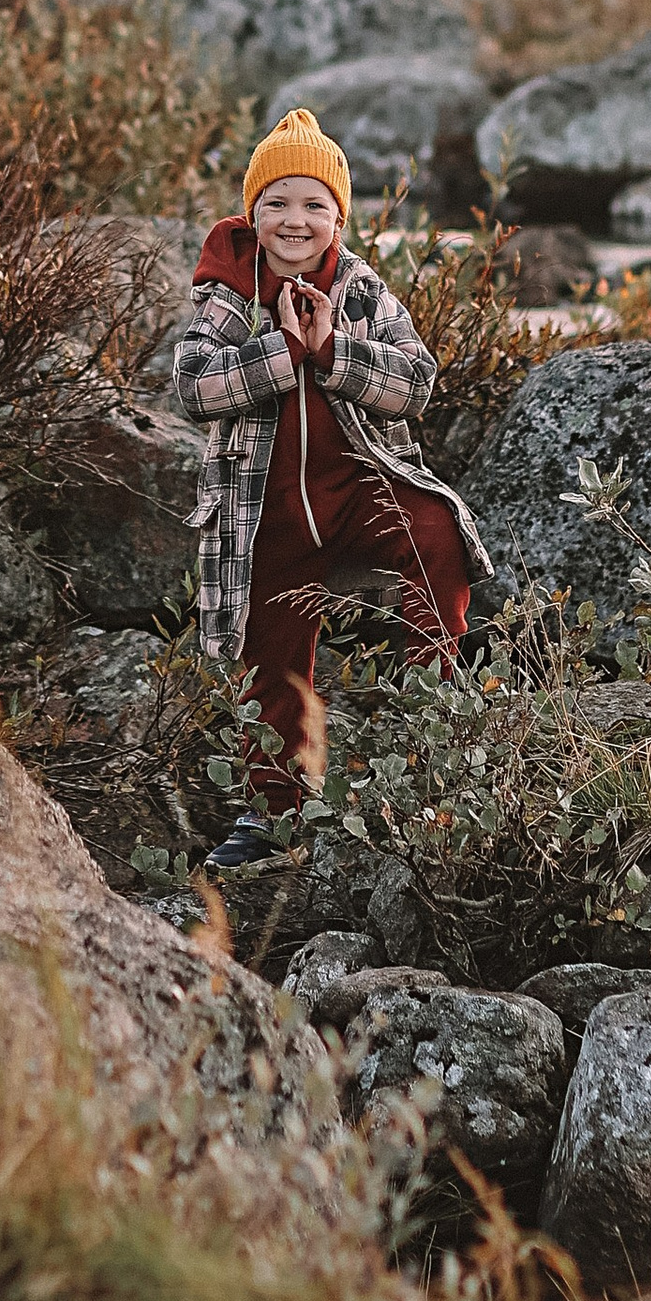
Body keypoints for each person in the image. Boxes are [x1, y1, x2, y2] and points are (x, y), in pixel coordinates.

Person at [169, 106, 491, 869]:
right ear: (252, 213)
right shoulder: (226, 293)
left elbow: (416, 383)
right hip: (265, 513)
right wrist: (283, 351)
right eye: (276, 203)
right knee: (270, 659)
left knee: (437, 537)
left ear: (338, 217)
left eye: (314, 204)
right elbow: (192, 388)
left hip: (359, 492)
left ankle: (430, 750)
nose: (294, 221)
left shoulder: (359, 288)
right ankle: (274, 811)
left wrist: (332, 350)